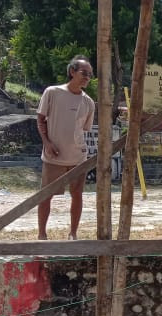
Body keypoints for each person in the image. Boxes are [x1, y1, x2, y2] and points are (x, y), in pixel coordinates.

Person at [37, 55, 96, 240]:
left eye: (90, 75)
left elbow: (83, 129)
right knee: (46, 195)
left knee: (77, 194)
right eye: (84, 73)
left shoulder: (88, 102)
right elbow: (40, 119)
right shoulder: (52, 92)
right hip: (54, 156)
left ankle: (73, 233)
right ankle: (41, 234)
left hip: (78, 157)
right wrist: (47, 142)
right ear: (72, 71)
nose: (87, 77)